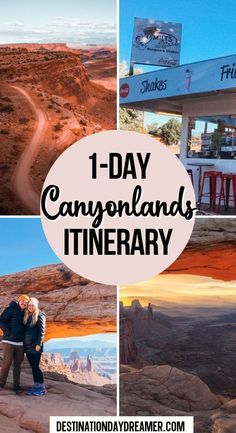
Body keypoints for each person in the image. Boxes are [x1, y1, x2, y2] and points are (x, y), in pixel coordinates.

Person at [0, 294, 29, 393]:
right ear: (19, 301)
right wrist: (7, 332)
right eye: (23, 301)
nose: (24, 303)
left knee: (18, 365)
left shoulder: (25, 313)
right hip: (9, 342)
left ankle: (16, 386)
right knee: (6, 364)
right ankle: (1, 383)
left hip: (20, 344)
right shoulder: (11, 309)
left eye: (26, 302)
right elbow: (1, 321)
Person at [23, 297, 46, 396]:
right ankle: (36, 386)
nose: (30, 307)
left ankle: (41, 388)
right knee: (33, 367)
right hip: (28, 346)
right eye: (29, 305)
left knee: (36, 367)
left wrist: (38, 344)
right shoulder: (28, 315)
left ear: (36, 306)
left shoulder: (40, 315)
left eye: (32, 305)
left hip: (35, 346)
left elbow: (42, 331)